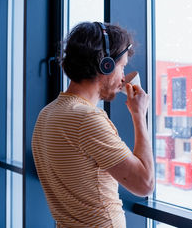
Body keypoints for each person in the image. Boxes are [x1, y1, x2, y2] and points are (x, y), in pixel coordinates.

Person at [31, 22, 154, 228]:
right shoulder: (86, 119)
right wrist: (139, 115)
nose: (124, 77)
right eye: (122, 66)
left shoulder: (48, 113)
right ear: (105, 64)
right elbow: (144, 184)